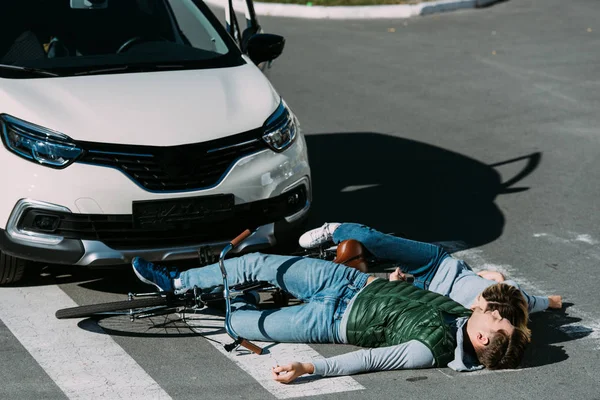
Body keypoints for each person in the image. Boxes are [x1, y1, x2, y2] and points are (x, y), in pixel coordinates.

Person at [131, 251, 531, 384]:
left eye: (498, 322)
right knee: (261, 263)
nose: (496, 312)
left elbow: (369, 359)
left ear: (481, 341)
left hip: (330, 320)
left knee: (240, 324)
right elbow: (507, 300)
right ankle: (179, 281)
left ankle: (220, 302)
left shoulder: (431, 351)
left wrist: (309, 366)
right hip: (347, 281)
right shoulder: (468, 313)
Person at [299, 223, 563, 321]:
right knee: (375, 241)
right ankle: (334, 230)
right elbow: (535, 301)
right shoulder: (513, 297)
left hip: (423, 291)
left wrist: (397, 284)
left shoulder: (479, 322)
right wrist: (552, 302)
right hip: (435, 263)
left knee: (362, 291)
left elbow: (428, 308)